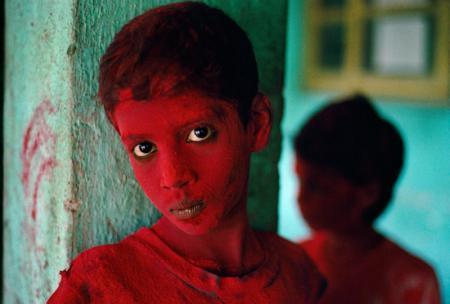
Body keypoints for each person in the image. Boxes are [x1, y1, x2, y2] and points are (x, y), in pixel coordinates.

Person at [48, 2, 325, 303]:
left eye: (199, 133)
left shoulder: (299, 277)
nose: (173, 177)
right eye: (144, 148)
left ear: (256, 125)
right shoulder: (100, 287)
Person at [294, 94, 441, 303]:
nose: (300, 197)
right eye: (299, 180)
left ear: (367, 194)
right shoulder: (295, 261)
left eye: (318, 188)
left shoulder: (413, 280)